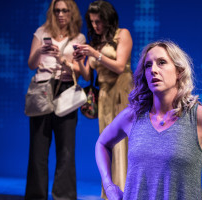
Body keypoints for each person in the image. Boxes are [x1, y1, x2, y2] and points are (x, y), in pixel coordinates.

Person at [95, 40, 202, 200]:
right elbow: (102, 144)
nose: (153, 70)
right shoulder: (133, 116)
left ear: (179, 71)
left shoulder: (199, 117)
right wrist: (109, 186)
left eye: (161, 62)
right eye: (148, 65)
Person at [25, 0, 86, 199]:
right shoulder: (41, 32)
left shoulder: (78, 37)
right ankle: (36, 195)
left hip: (66, 90)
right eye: (57, 10)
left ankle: (64, 196)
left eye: (64, 10)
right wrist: (40, 51)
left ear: (71, 12)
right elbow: (31, 64)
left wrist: (63, 59)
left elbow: (81, 70)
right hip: (42, 90)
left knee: (66, 149)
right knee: (38, 149)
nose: (60, 14)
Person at [73, 0, 133, 198]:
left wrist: (95, 54)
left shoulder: (122, 34)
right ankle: (109, 192)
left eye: (99, 21)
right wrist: (76, 60)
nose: (96, 26)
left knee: (123, 144)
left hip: (122, 92)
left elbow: (119, 66)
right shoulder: (94, 43)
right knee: (107, 143)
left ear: (108, 18)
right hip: (105, 95)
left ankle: (126, 191)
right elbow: (88, 77)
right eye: (92, 22)